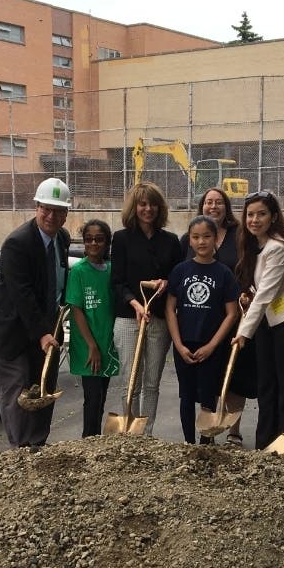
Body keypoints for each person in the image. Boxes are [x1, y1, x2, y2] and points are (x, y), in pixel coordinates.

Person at [0, 177, 72, 448]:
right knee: (18, 394)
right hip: (12, 332)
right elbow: (23, 295)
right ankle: (21, 454)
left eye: (58, 211)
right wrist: (43, 333)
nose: (51, 216)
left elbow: (56, 282)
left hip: (44, 328)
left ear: (66, 215)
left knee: (43, 388)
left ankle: (38, 445)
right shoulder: (17, 244)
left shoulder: (62, 239)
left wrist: (52, 325)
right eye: (46, 208)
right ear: (36, 207)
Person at [232, 190, 284, 450]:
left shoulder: (277, 248)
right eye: (250, 214)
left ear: (274, 217)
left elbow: (266, 294)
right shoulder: (259, 246)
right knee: (267, 384)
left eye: (261, 214)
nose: (254, 219)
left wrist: (243, 332)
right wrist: (249, 297)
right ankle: (265, 444)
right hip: (269, 324)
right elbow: (263, 290)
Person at [181, 188, 254, 446]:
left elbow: (250, 266)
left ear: (227, 207)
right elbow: (178, 279)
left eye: (219, 202)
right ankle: (201, 433)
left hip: (233, 314)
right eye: (209, 202)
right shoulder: (187, 240)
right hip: (198, 323)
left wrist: (248, 292)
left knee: (233, 375)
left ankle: (233, 430)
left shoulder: (240, 236)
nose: (214, 206)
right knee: (201, 382)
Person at [110, 182, 181, 437]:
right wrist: (136, 303)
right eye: (142, 204)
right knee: (131, 380)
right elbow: (116, 281)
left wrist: (167, 281)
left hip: (159, 319)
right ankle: (130, 432)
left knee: (152, 382)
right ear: (134, 207)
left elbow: (177, 278)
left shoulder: (171, 241)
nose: (148, 209)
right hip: (129, 318)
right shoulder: (121, 239)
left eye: (152, 204)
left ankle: (147, 433)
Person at [166, 215, 240, 444]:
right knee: (186, 396)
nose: (201, 242)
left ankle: (206, 443)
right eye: (195, 237)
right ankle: (188, 443)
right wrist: (178, 345)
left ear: (216, 239)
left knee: (208, 396)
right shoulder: (180, 270)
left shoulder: (224, 273)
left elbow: (232, 313)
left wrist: (212, 345)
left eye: (207, 236)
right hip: (184, 344)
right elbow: (170, 309)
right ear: (189, 241)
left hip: (211, 346)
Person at [66, 220, 119, 437]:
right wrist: (91, 345)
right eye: (89, 239)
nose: (94, 243)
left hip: (106, 342)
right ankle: (88, 439)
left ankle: (96, 439)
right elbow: (76, 308)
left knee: (102, 396)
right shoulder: (78, 270)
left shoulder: (111, 270)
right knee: (93, 397)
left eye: (99, 239)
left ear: (107, 242)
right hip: (89, 345)